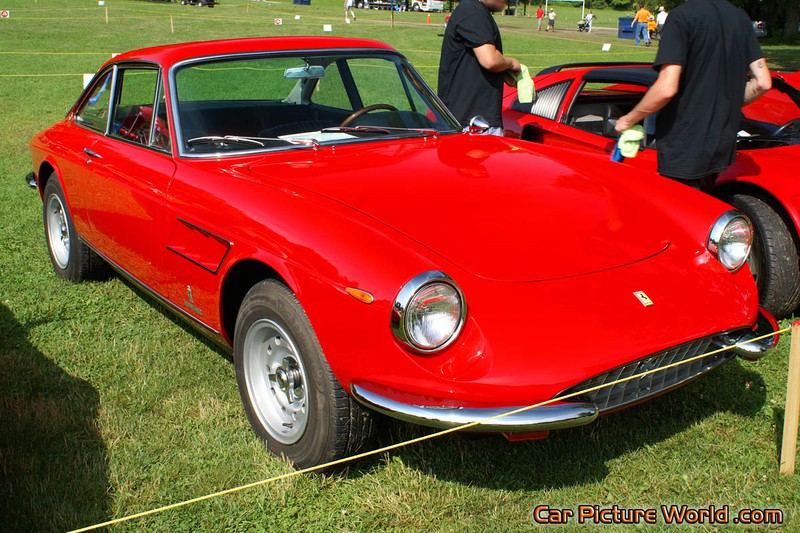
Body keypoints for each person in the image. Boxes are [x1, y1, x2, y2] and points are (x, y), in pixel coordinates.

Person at [615, 0, 772, 192]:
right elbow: (763, 82)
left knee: (680, 216)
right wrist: (727, 102)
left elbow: (666, 88)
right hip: (721, 144)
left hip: (684, 148)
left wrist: (628, 119)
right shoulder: (739, 17)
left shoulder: (681, 16)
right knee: (705, 214)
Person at [438, 0, 521, 136]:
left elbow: (474, 60)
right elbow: (490, 60)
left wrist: (503, 71)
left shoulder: (473, 10)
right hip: (473, 124)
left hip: (472, 121)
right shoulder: (473, 12)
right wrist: (511, 63)